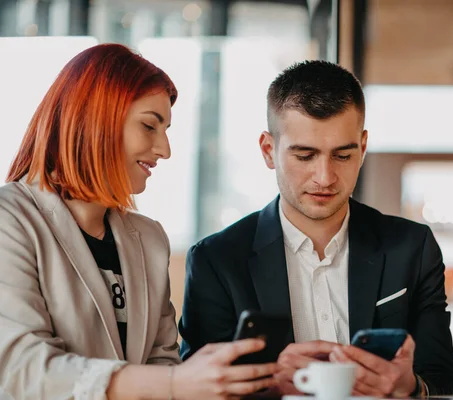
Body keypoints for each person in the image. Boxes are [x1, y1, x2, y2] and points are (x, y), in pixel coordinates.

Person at [0, 43, 276, 400]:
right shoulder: (11, 221)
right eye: (149, 126)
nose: (165, 149)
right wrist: (176, 385)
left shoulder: (149, 239)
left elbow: (162, 361)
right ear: (93, 119)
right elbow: (20, 369)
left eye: (166, 130)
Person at [178, 60, 453, 398]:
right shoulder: (216, 260)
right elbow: (193, 390)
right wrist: (268, 385)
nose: (325, 178)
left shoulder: (412, 247)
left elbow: (444, 382)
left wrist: (413, 388)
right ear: (269, 151)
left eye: (342, 156)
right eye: (305, 156)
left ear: (363, 147)